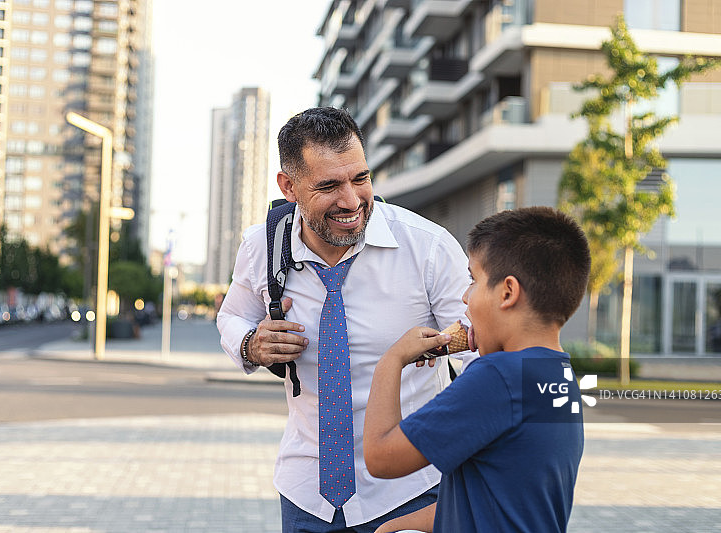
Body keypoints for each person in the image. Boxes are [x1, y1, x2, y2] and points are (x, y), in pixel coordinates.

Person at [216, 107, 476, 532]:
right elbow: (232, 318)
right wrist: (251, 344)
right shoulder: (260, 246)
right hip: (306, 496)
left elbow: (482, 349)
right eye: (329, 186)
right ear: (289, 187)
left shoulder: (427, 248)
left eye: (361, 178)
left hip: (411, 491)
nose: (352, 201)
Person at [364, 206, 591, 533]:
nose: (465, 297)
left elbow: (381, 458)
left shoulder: (499, 376)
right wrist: (392, 527)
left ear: (508, 292)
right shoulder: (559, 377)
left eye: (473, 280)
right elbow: (497, 500)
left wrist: (391, 359)